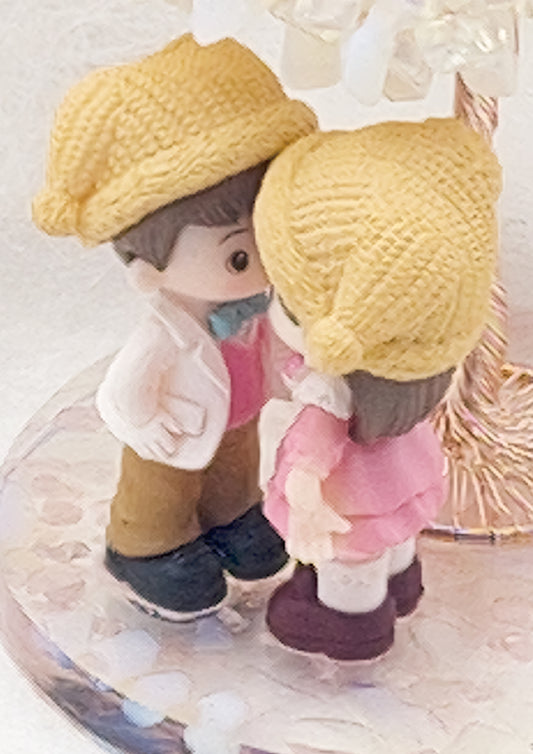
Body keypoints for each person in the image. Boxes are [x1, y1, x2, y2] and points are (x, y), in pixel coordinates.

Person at [33, 34, 317, 618]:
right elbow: (120, 392)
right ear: (147, 269)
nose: (262, 262)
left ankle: (231, 517)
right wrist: (147, 422)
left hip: (240, 416)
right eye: (239, 255)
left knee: (235, 469)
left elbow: (273, 347)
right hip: (174, 432)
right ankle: (146, 549)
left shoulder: (258, 304)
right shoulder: (164, 333)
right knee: (161, 490)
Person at [254, 118, 502, 659]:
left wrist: (303, 495)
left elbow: (312, 453)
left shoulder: (329, 395)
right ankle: (402, 579)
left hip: (348, 493)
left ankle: (351, 619)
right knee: (395, 534)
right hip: (405, 465)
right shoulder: (415, 377)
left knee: (351, 555)